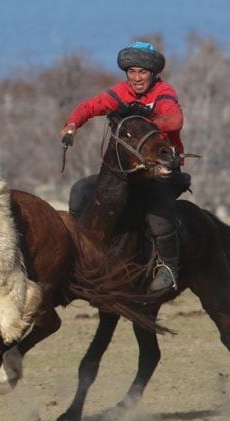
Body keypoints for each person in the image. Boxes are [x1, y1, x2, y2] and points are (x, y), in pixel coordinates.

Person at [59, 41, 186, 292]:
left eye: (143, 72)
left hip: (160, 170)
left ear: (153, 73)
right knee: (80, 191)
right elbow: (88, 107)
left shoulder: (163, 93)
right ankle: (73, 251)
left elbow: (175, 120)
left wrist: (144, 121)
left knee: (157, 215)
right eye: (132, 72)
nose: (137, 78)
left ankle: (168, 268)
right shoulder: (119, 92)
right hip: (126, 174)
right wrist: (72, 124)